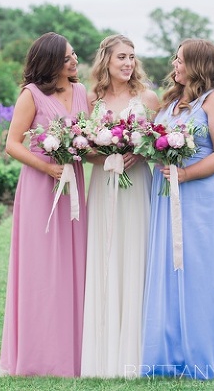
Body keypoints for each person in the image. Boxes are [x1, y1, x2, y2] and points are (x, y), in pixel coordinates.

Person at [140, 38, 214, 379]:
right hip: (166, 195)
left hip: (201, 197)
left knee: (203, 273)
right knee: (171, 270)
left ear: (198, 64)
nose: (174, 65)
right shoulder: (174, 100)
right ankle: (172, 355)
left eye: (180, 60)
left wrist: (186, 173)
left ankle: (211, 356)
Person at [0, 32, 89, 377]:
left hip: (75, 183)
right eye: (68, 58)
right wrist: (50, 167)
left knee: (74, 263)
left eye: (74, 55)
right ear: (52, 61)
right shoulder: (31, 95)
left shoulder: (81, 92)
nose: (75, 61)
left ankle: (76, 349)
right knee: (41, 268)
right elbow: (12, 144)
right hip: (41, 185)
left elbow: (87, 136)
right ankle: (40, 354)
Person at [81, 35, 159, 377]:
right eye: (121, 58)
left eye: (131, 57)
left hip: (138, 184)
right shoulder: (91, 100)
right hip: (103, 186)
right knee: (106, 253)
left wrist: (137, 152)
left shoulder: (148, 97)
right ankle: (104, 346)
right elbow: (82, 148)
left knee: (136, 252)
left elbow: (159, 145)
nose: (128, 63)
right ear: (107, 62)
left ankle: (140, 347)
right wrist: (105, 157)